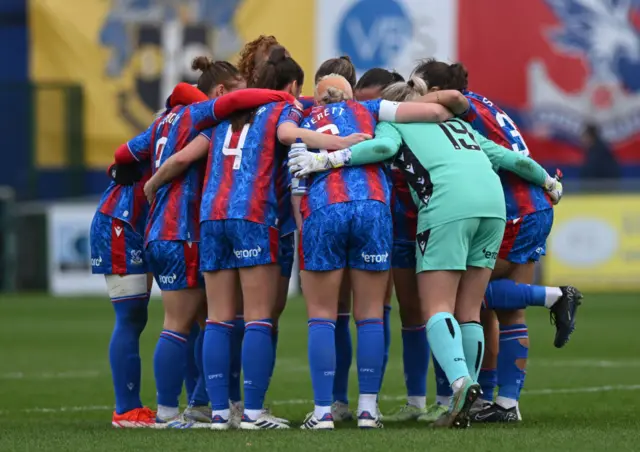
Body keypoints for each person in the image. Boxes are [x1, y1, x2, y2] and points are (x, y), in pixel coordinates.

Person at [289, 75, 565, 429]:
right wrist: (549, 183)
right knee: (469, 310)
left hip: (449, 203)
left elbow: (381, 149)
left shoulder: (395, 124)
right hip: (494, 207)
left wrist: (327, 161)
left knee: (436, 306)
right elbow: (511, 159)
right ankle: (471, 399)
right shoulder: (458, 127)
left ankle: (461, 385)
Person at [145, 47, 368, 430]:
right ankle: (252, 413)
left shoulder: (222, 115)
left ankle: (217, 414)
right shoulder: (286, 108)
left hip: (212, 219)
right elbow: (291, 136)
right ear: (294, 85)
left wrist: (152, 185)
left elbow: (183, 157)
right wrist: (346, 144)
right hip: (254, 215)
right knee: (259, 319)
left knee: (217, 319)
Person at [412, 59, 582, 422]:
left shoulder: (463, 106)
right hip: (533, 205)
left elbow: (458, 101)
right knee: (507, 313)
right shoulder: (491, 106)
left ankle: (554, 296)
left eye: (421, 89)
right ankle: (505, 404)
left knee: (469, 297)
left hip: (515, 207)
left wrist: (404, 106)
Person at [291, 74, 453, 431]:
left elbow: (295, 184)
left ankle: (323, 413)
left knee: (322, 315)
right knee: (370, 317)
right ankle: (368, 411)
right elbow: (438, 113)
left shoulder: (300, 120)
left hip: (323, 208)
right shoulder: (372, 109)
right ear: (351, 94)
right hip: (374, 208)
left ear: (318, 99)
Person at [90, 81, 210, 428]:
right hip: (123, 224)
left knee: (187, 316)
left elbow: (121, 157)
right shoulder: (182, 127)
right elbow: (121, 158)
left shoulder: (168, 128)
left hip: (150, 226)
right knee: (132, 316)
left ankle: (196, 403)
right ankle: (126, 409)